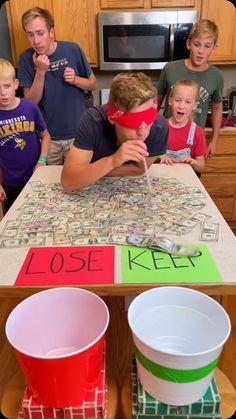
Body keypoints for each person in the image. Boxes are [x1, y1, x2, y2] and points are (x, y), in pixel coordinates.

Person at [61, 72, 168, 192]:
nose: (142, 132)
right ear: (112, 118)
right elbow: (68, 181)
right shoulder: (93, 121)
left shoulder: (159, 127)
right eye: (133, 124)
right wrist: (112, 161)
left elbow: (139, 169)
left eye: (148, 121)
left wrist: (92, 169)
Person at [18, 7, 96, 165]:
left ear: (51, 32)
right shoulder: (26, 58)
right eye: (30, 34)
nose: (36, 41)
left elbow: (92, 84)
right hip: (48, 139)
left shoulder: (72, 49)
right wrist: (40, 72)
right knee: (50, 185)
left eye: (40, 33)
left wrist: (75, 79)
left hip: (78, 135)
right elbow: (31, 102)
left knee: (78, 184)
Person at [157, 19, 223, 156]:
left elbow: (217, 108)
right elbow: (156, 103)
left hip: (194, 144)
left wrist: (215, 140)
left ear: (214, 48)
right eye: (196, 44)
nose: (200, 51)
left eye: (207, 46)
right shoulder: (170, 69)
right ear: (188, 44)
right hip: (166, 140)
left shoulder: (216, 76)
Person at [0, 58, 51, 213]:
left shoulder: (30, 107)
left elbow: (46, 136)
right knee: (13, 219)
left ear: (16, 84)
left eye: (7, 86)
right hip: (9, 183)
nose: (2, 93)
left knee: (41, 214)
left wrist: (42, 161)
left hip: (36, 177)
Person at [160, 79, 207, 175]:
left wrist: (194, 162)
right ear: (170, 101)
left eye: (188, 102)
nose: (181, 106)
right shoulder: (161, 128)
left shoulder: (197, 132)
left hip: (188, 179)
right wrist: (160, 157)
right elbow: (149, 158)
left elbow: (201, 166)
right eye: (177, 100)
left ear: (194, 105)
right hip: (164, 178)